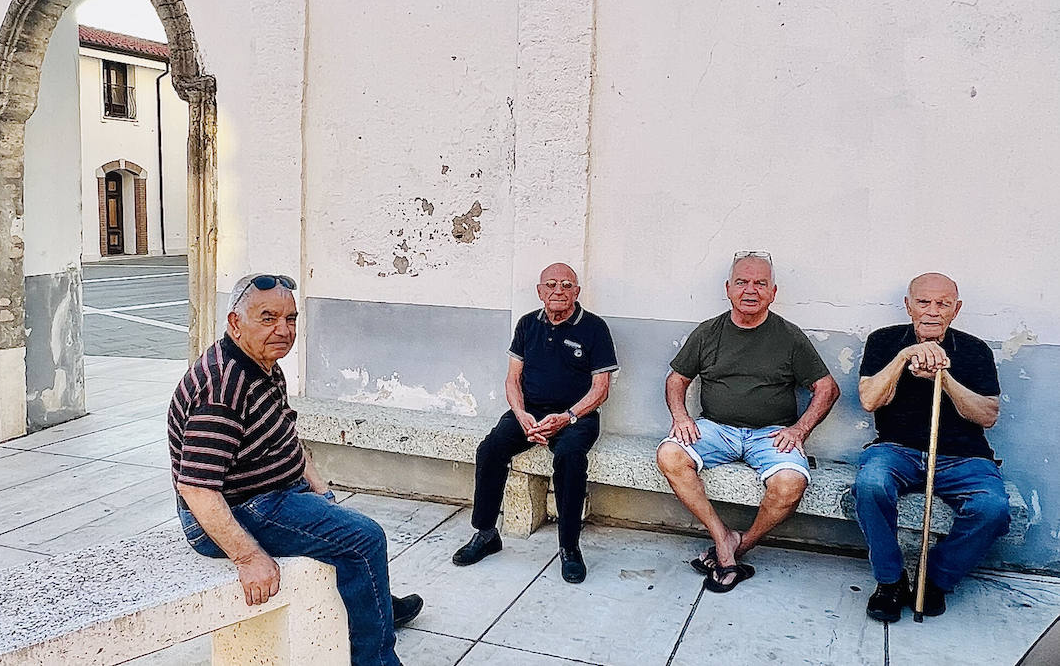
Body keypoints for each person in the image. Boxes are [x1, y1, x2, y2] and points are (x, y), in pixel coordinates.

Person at [169, 273, 422, 666]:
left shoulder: (263, 363)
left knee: (344, 528)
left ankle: (376, 609)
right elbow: (197, 488)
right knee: (366, 538)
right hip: (232, 512)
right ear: (235, 323)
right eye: (267, 317)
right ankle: (378, 659)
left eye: (290, 319)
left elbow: (284, 436)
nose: (282, 330)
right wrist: (248, 558)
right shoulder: (222, 389)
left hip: (270, 493)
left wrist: (320, 489)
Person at [655, 252, 840, 593]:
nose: (750, 290)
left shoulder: (789, 336)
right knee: (669, 454)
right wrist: (680, 416)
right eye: (742, 282)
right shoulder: (709, 332)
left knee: (791, 482)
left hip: (771, 434)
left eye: (760, 283)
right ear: (728, 289)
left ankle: (739, 546)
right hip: (716, 428)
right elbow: (676, 379)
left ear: (773, 291)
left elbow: (827, 388)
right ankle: (721, 536)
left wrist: (800, 429)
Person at [854, 272, 1009, 622]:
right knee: (870, 484)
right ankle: (891, 582)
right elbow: (869, 399)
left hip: (962, 456)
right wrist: (904, 357)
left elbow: (988, 415)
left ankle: (934, 580)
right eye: (924, 302)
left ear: (956, 310)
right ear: (909, 306)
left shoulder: (975, 350)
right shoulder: (884, 340)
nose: (933, 311)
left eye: (943, 304)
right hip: (896, 449)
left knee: (993, 508)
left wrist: (945, 380)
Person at [452, 262, 619, 583]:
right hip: (529, 412)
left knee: (570, 458)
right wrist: (521, 415)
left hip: (576, 416)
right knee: (490, 449)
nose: (559, 291)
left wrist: (568, 417)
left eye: (567, 285)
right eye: (552, 285)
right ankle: (486, 534)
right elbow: (513, 379)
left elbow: (601, 390)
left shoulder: (595, 328)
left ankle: (569, 548)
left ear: (577, 292)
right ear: (540, 291)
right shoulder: (528, 324)